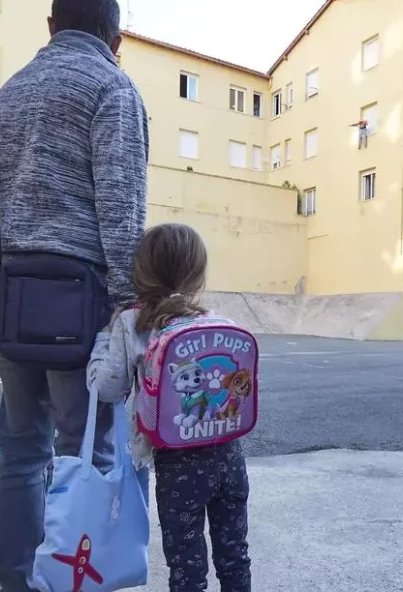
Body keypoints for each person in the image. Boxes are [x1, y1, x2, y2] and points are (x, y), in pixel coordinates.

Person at [0, 0, 149, 592]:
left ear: (50, 26)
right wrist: (128, 300)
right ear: (114, 38)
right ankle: (83, 580)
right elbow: (120, 204)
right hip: (84, 298)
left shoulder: (3, 98)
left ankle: (17, 581)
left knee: (21, 452)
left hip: (17, 293)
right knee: (90, 451)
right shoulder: (111, 87)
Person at [87, 223, 252, 592]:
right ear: (197, 273)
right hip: (229, 455)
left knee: (186, 564)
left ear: (141, 272)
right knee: (235, 553)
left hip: (178, 464)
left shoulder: (131, 322)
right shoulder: (216, 321)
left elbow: (107, 386)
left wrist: (102, 338)